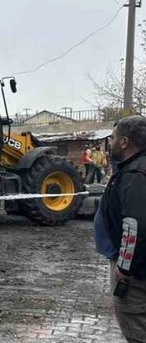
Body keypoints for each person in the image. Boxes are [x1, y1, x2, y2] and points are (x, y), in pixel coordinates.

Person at [96, 116, 146, 340]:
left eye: (114, 138)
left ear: (124, 142)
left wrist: (125, 268)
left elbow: (135, 224)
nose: (111, 143)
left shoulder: (135, 175)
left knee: (136, 328)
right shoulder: (134, 169)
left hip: (134, 273)